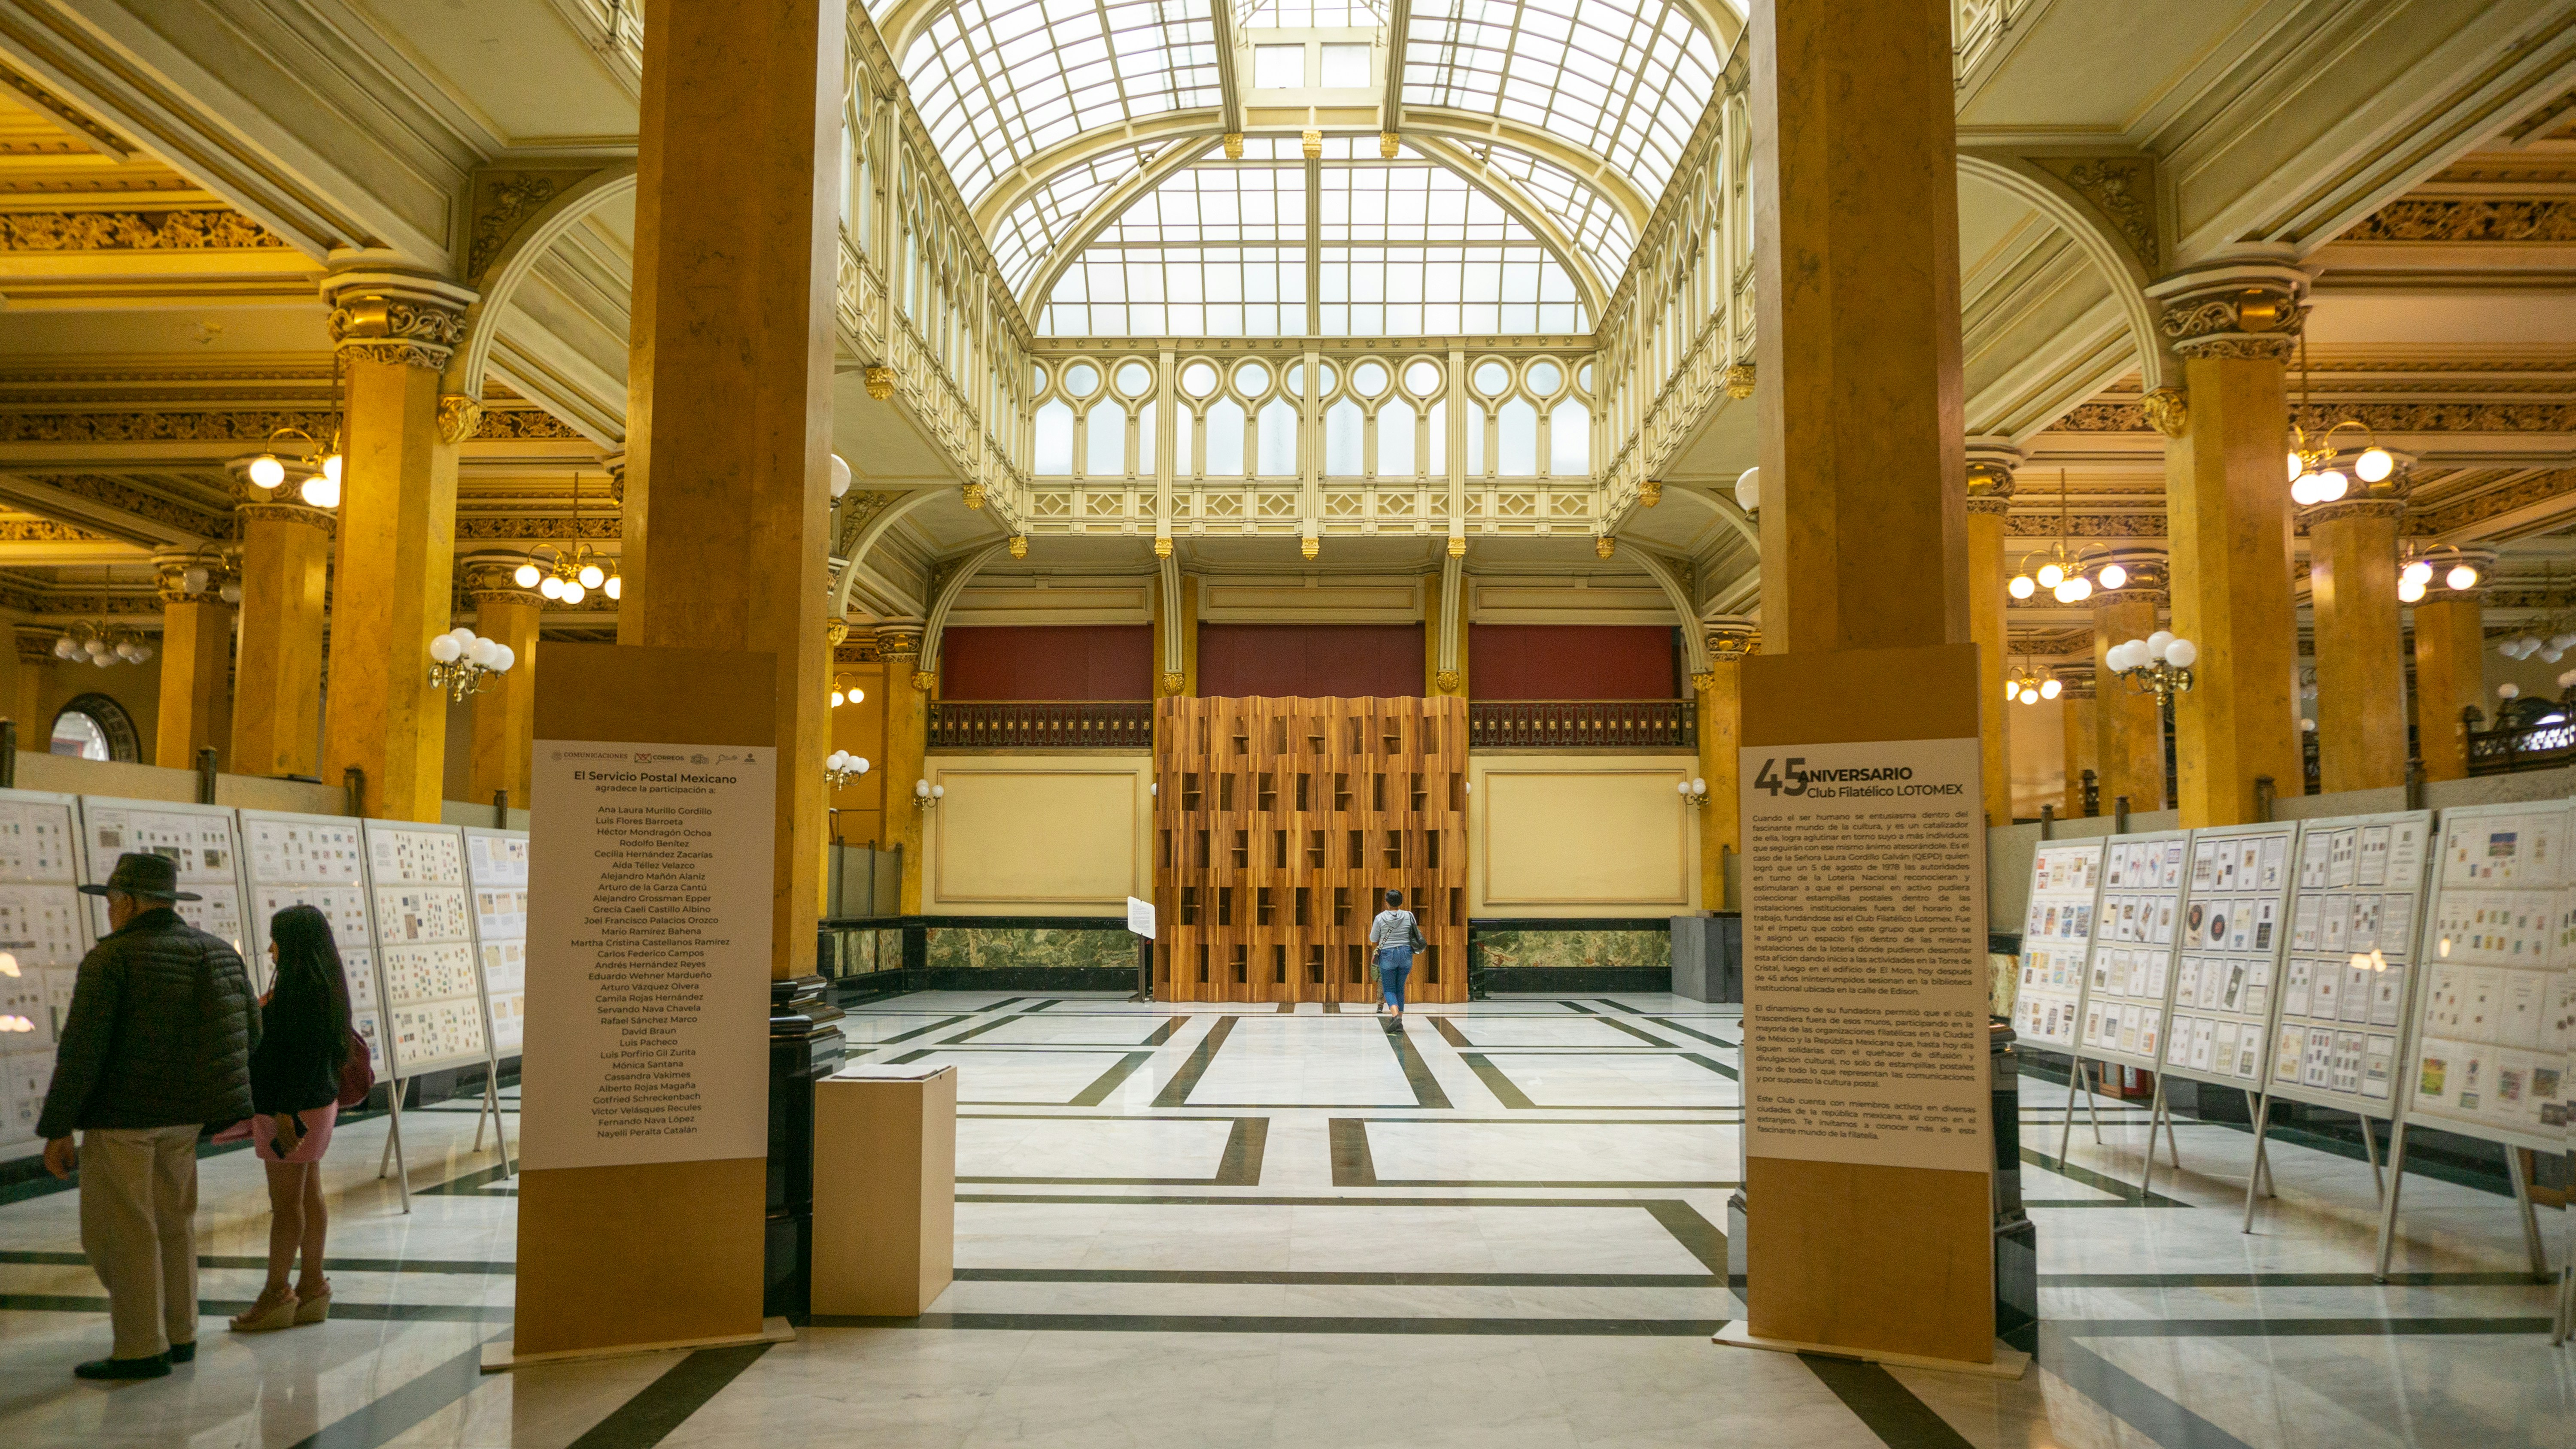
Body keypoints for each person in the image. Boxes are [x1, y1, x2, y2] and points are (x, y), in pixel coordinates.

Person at [39, 852, 257, 1380]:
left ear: (131, 902)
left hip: (123, 1119)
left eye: (113, 902)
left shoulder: (111, 959)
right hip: (186, 1117)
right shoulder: (216, 953)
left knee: (122, 1231)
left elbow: (83, 1049)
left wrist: (58, 1127)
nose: (110, 913)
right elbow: (247, 1032)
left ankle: (140, 1346)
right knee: (174, 1224)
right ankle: (180, 1332)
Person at [229, 904, 351, 1333]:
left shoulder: (298, 989)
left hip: (288, 1112)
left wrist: (284, 1114)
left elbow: (293, 1056)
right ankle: (313, 1284)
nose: (270, 947)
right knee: (309, 1192)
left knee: (286, 1206)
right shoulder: (328, 984)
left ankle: (276, 1292)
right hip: (317, 1105)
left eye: (276, 937)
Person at [1368, 887, 1421, 1019]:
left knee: (1389, 989)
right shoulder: (1409, 916)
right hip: (1406, 954)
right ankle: (1400, 1019)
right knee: (1400, 989)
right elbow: (1415, 933)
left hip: (1388, 955)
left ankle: (1396, 1016)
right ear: (1400, 902)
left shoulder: (1380, 918)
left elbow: (1373, 939)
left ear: (1387, 903)